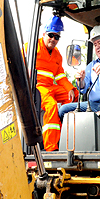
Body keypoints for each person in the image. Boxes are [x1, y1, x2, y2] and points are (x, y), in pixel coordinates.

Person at [59, 25, 100, 151]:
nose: (97, 46)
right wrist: (80, 79)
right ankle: (69, 147)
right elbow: (83, 88)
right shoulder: (90, 66)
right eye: (94, 44)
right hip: (92, 104)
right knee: (63, 109)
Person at [35, 16, 78, 151]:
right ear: (44, 34)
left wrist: (70, 88)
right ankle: (51, 147)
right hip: (37, 87)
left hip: (50, 87)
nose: (53, 39)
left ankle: (65, 129)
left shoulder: (57, 55)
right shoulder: (31, 47)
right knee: (51, 105)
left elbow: (60, 77)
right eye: (51, 35)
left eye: (57, 37)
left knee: (73, 95)